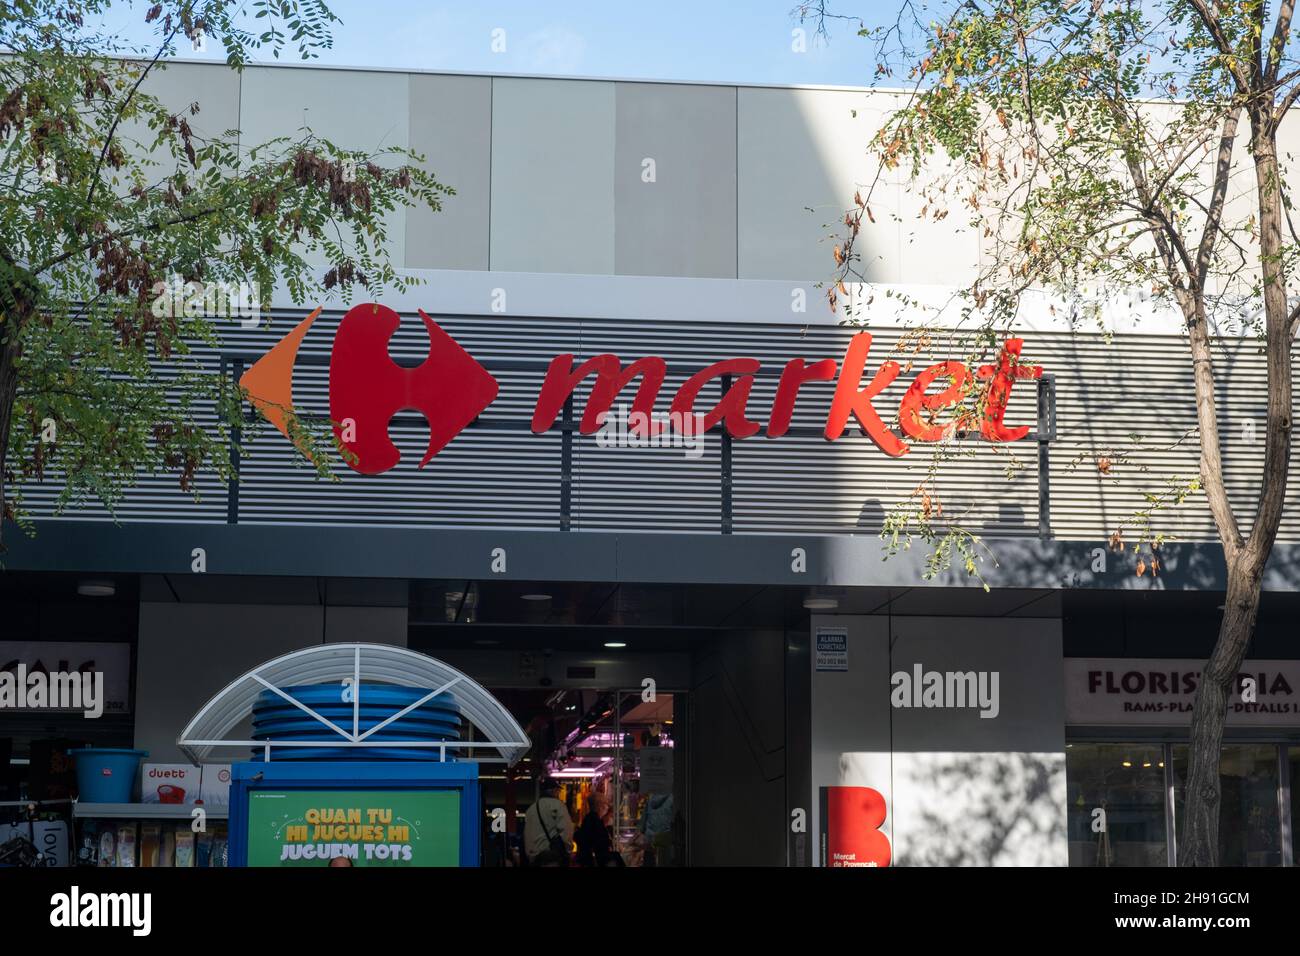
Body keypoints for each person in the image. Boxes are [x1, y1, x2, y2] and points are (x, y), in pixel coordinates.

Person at [523, 778, 574, 866]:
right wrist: (568, 849)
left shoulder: (531, 809)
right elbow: (566, 829)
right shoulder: (558, 805)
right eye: (558, 791)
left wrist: (531, 856)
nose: (558, 794)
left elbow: (527, 835)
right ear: (554, 790)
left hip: (536, 858)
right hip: (553, 857)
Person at [574, 791, 616, 867]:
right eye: (606, 804)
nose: (607, 807)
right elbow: (601, 846)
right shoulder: (595, 821)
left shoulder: (590, 818)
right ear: (600, 806)